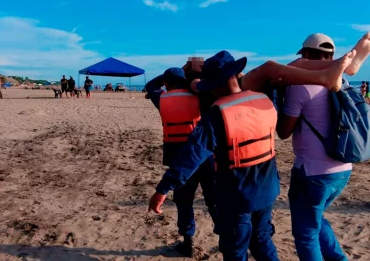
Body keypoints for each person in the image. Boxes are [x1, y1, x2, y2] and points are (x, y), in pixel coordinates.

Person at [149, 49, 355, 260]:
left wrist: (163, 189)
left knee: (235, 249)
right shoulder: (265, 102)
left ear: (217, 85)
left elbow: (191, 155)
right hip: (267, 191)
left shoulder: (217, 115)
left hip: (236, 195)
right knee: (262, 241)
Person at [276, 34, 354, 261]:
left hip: (312, 171)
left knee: (305, 233)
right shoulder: (344, 82)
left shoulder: (302, 87)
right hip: (343, 166)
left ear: (307, 56)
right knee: (316, 219)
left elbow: (283, 132)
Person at [145, 67, 217, 257]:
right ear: (184, 81)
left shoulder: (162, 98)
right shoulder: (199, 97)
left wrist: (168, 77)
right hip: (204, 154)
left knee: (184, 201)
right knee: (214, 200)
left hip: (178, 157)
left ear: (167, 83)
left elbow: (151, 85)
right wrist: (189, 80)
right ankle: (226, 237)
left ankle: (188, 241)